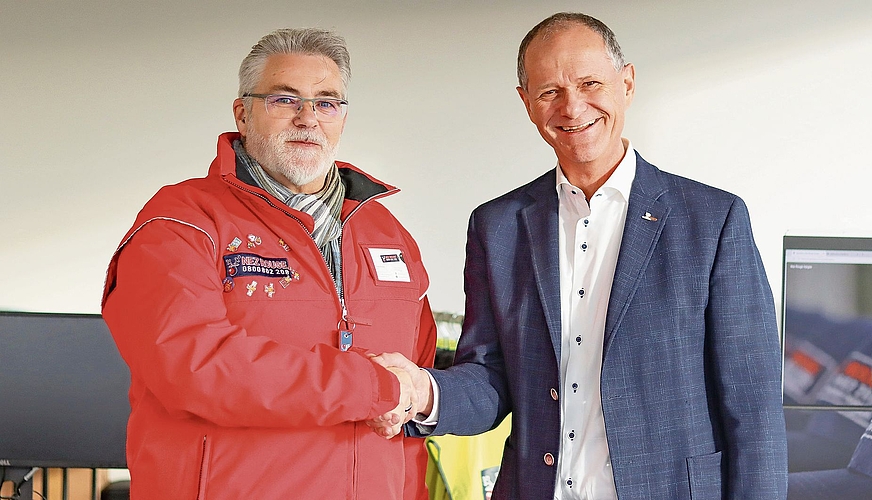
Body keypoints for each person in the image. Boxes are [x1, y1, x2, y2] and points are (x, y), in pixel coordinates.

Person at [371, 12, 787, 499]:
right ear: (527, 103)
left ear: (626, 83)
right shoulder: (497, 225)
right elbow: (491, 376)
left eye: (590, 83)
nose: (572, 107)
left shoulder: (713, 220)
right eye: (549, 92)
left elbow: (754, 408)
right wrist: (424, 392)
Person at [101, 28, 436, 499]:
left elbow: (409, 404)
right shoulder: (182, 221)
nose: (308, 118)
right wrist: (371, 386)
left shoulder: (389, 234)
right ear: (242, 113)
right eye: (284, 99)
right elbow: (196, 365)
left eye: (327, 102)